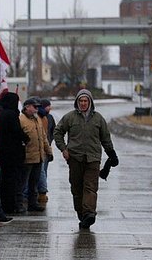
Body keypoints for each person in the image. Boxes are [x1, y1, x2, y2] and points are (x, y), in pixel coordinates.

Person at [54, 89, 118, 229]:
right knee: (77, 188)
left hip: (93, 158)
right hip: (75, 158)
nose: (83, 103)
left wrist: (111, 154)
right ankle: (82, 214)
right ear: (77, 102)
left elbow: (105, 138)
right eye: (81, 101)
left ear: (90, 102)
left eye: (85, 101)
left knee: (90, 187)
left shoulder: (98, 119)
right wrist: (64, 149)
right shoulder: (70, 117)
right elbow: (57, 132)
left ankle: (89, 213)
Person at [0, 92, 29, 214]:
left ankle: (6, 205)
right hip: (13, 153)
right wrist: (25, 138)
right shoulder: (11, 115)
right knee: (13, 180)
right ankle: (11, 205)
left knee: (5, 180)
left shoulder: (2, 114)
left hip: (4, 151)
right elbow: (16, 131)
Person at [19, 98, 52, 212]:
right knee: (23, 183)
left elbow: (43, 137)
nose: (36, 109)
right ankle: (20, 204)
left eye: (37, 107)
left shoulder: (37, 119)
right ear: (27, 107)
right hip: (27, 158)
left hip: (38, 157)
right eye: (34, 107)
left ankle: (32, 204)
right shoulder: (21, 120)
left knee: (34, 183)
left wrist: (48, 151)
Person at [37, 98, 56, 206]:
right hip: (43, 148)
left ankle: (41, 192)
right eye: (48, 106)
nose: (50, 107)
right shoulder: (42, 117)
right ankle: (42, 192)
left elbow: (54, 131)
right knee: (42, 172)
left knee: (43, 171)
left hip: (46, 147)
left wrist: (49, 140)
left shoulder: (49, 117)